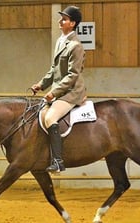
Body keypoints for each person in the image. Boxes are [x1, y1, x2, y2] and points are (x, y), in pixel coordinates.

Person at [31, 6, 86, 173]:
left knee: (50, 117)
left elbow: (72, 75)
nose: (60, 21)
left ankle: (57, 161)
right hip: (59, 89)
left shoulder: (75, 45)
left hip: (72, 92)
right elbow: (54, 69)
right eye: (61, 18)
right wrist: (41, 84)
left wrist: (53, 93)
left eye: (64, 19)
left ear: (73, 23)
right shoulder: (61, 41)